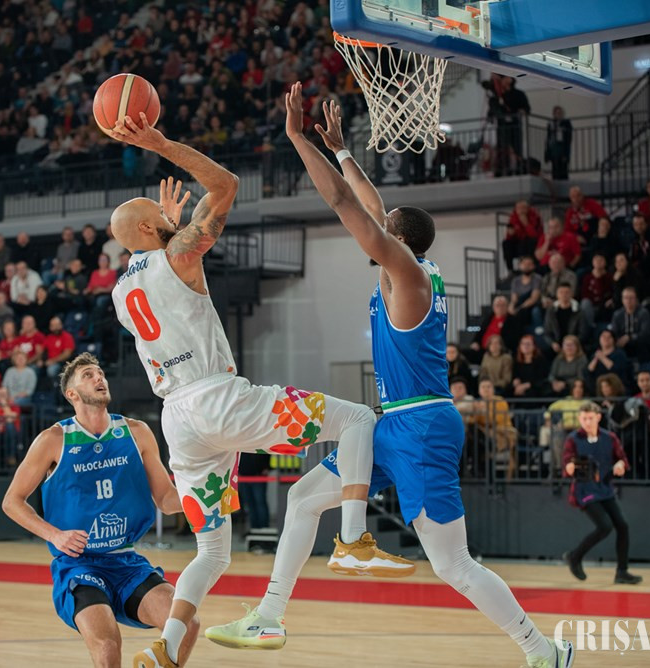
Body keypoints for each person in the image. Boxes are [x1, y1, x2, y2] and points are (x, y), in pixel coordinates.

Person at [206, 88, 574, 668]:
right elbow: (369, 203)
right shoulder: (409, 264)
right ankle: (269, 616)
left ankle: (543, 650)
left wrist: (297, 137)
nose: (377, 222)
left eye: (386, 226)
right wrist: (342, 150)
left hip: (423, 426)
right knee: (303, 498)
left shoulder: (406, 274)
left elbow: (342, 202)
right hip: (393, 423)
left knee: (453, 564)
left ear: (396, 241)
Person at [107, 104, 389, 668]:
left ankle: (165, 647)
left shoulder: (120, 291)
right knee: (358, 418)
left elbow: (162, 258)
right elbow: (226, 185)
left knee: (212, 552)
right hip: (218, 399)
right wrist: (161, 145)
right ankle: (353, 538)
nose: (167, 214)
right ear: (148, 230)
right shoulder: (177, 255)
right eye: (156, 214)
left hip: (178, 422)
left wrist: (164, 226)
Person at [2, 354, 200, 667]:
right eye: (88, 375)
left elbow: (165, 499)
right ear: (71, 394)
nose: (99, 378)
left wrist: (202, 495)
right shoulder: (53, 440)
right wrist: (55, 535)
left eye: (100, 373)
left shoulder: (136, 432)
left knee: (187, 625)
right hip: (78, 565)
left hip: (126, 562)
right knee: (108, 646)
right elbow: (12, 501)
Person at [562, 402, 642, 585]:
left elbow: (622, 459)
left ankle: (622, 571)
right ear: (579, 419)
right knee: (605, 526)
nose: (587, 422)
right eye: (583, 418)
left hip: (604, 489)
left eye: (590, 418)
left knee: (622, 525)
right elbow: (566, 462)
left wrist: (620, 465)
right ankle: (575, 556)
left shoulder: (609, 437)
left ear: (598, 417)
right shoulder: (573, 439)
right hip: (584, 490)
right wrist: (570, 467)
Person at [544, 106, 572, 180]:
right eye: (557, 113)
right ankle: (555, 180)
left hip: (562, 147)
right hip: (554, 147)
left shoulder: (566, 123)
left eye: (560, 113)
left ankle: (563, 181)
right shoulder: (551, 123)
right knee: (555, 166)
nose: (559, 115)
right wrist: (547, 152)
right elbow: (548, 137)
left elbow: (568, 137)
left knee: (563, 167)